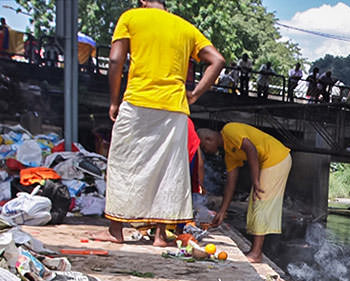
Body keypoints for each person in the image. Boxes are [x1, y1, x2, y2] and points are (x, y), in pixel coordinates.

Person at [94, 0, 224, 246]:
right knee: (169, 170)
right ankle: (161, 235)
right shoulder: (186, 28)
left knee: (123, 163)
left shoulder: (131, 17)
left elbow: (115, 60)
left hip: (137, 101)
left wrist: (113, 101)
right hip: (174, 108)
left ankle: (116, 230)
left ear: (143, 0)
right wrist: (194, 94)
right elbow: (217, 60)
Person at [198, 124, 292, 263]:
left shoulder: (229, 130)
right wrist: (222, 211)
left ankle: (256, 253)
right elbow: (231, 182)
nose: (207, 151)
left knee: (261, 201)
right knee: (255, 203)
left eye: (205, 148)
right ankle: (255, 250)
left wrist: (255, 180)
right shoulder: (229, 152)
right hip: (268, 161)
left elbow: (251, 149)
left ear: (208, 139)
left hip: (276, 158)